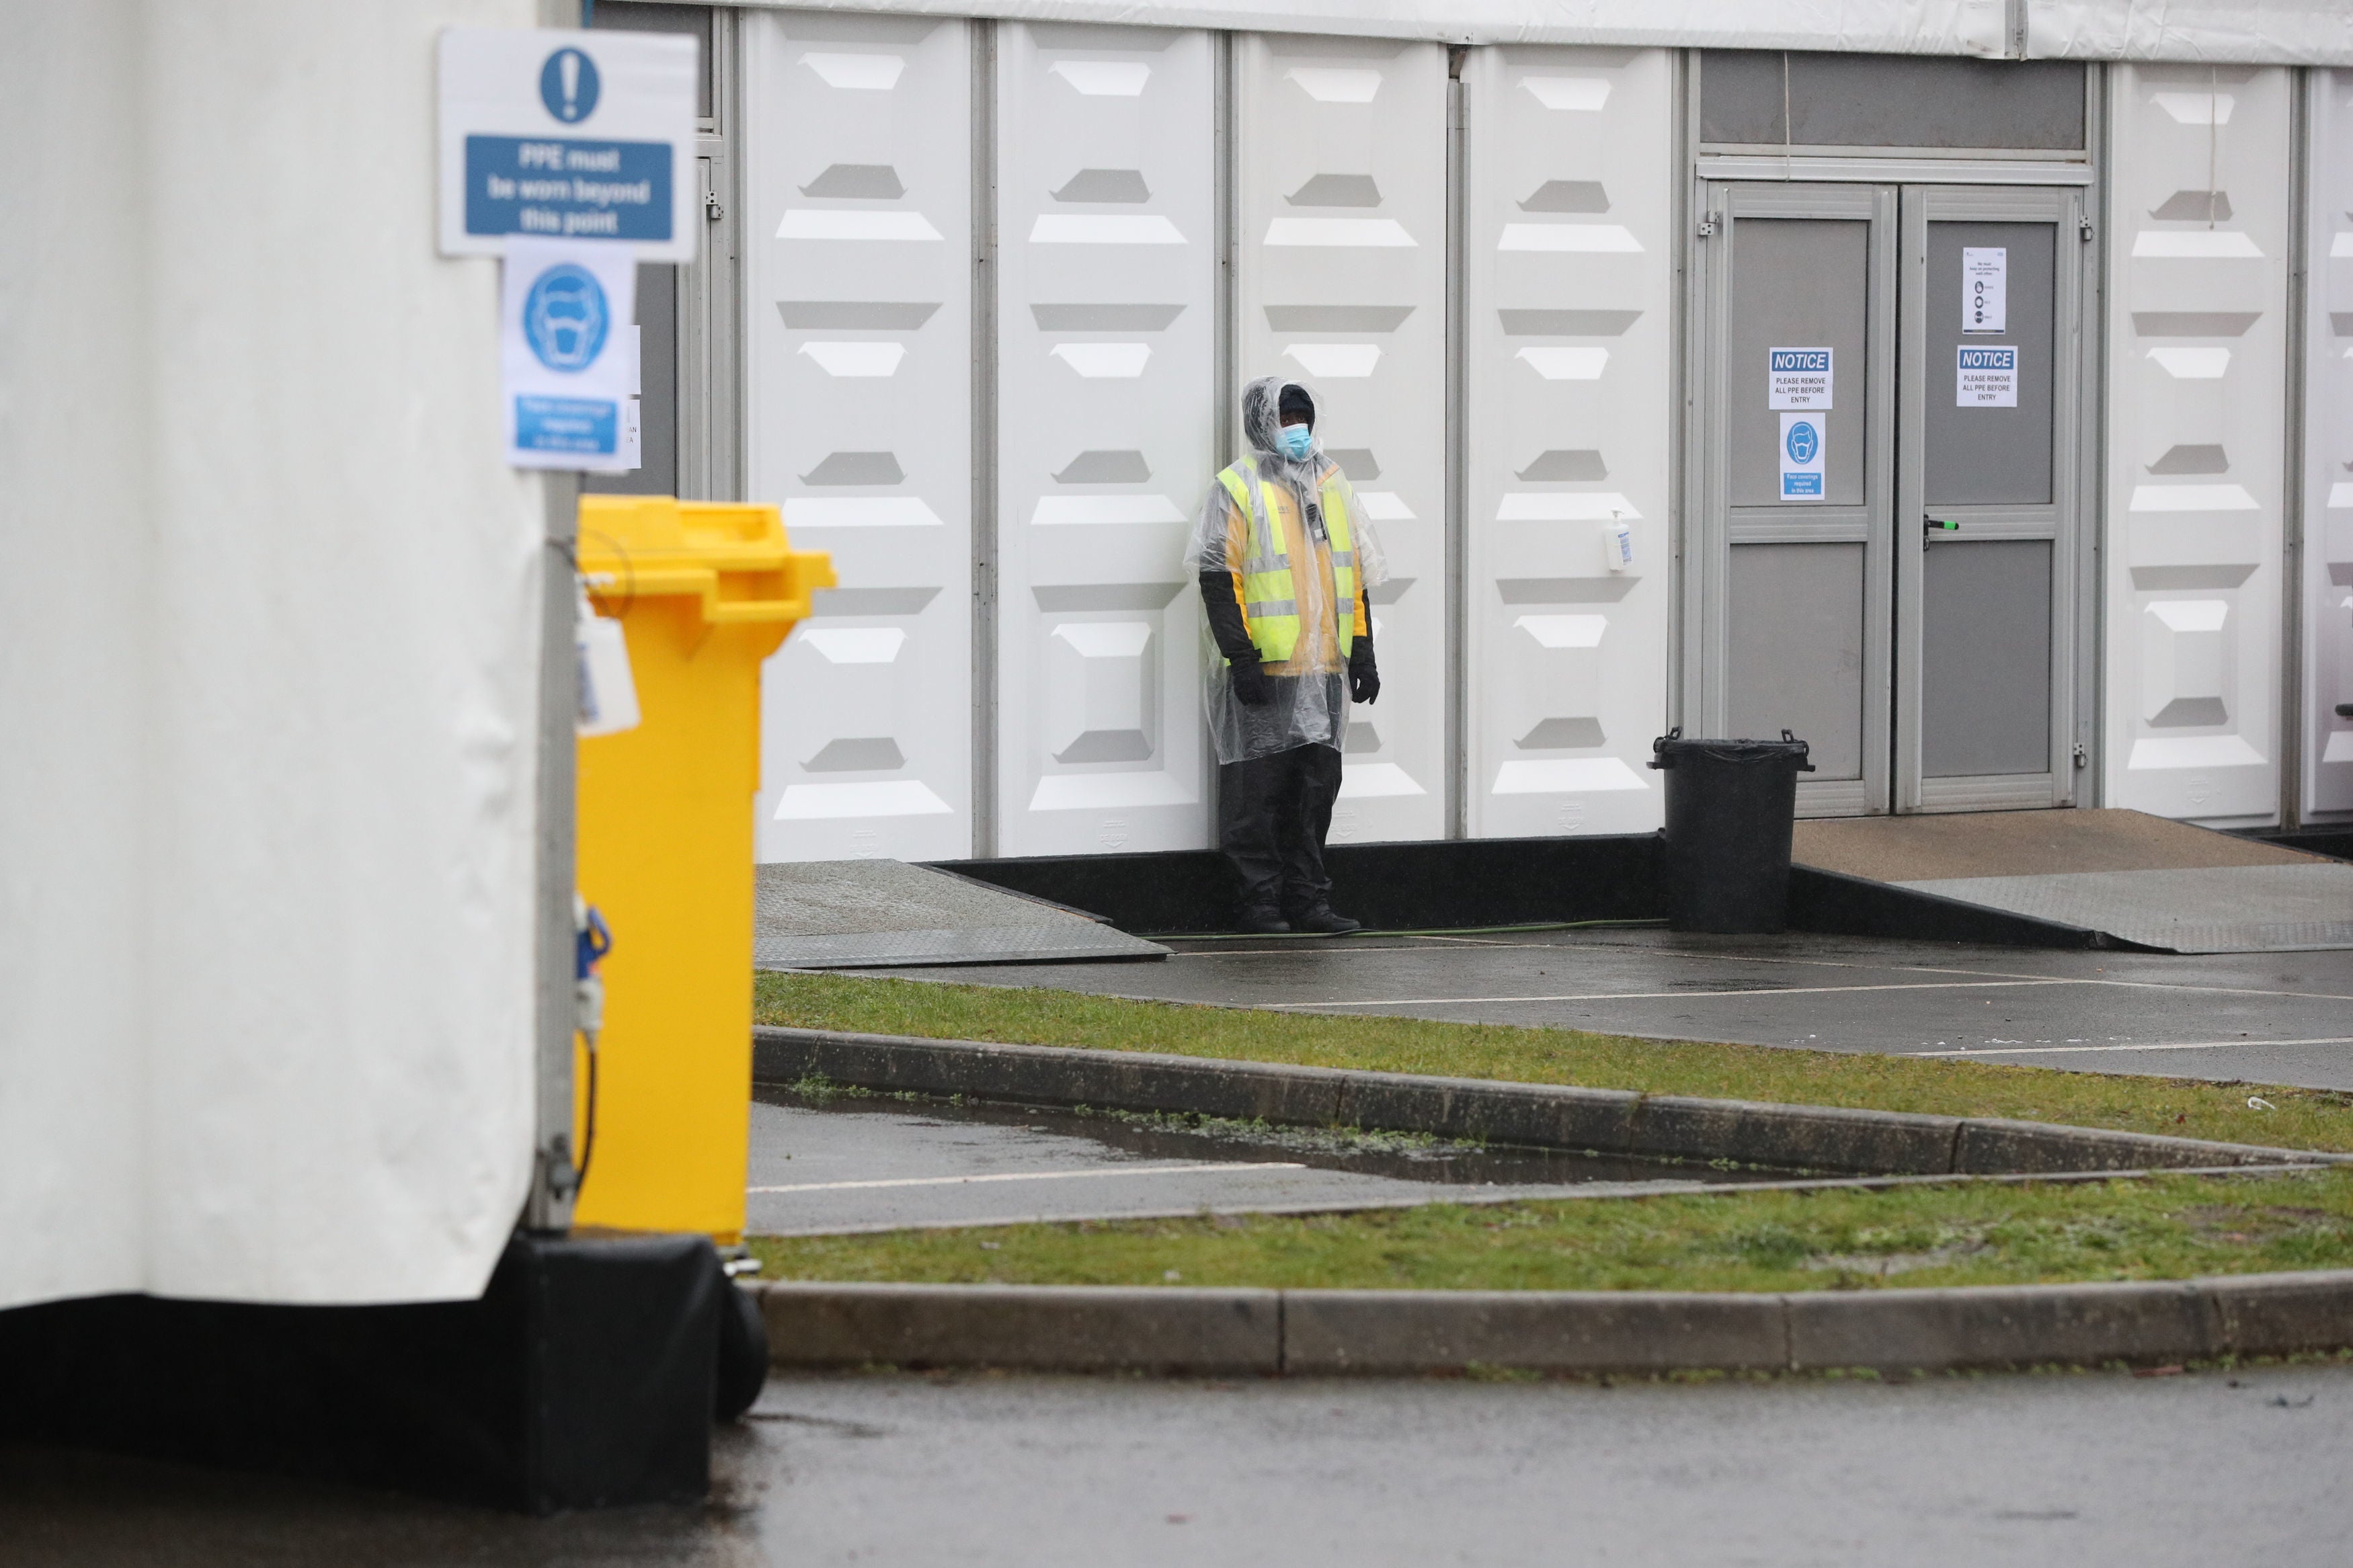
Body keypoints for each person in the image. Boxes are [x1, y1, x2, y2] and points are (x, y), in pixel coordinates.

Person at [1185, 377, 1387, 935]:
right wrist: (1240, 657)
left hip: (1324, 670)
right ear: (1262, 423)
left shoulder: (1331, 482)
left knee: (1315, 794)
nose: (1297, 427)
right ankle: (1259, 904)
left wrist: (1362, 651)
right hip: (1266, 671)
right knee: (1258, 799)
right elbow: (1217, 575)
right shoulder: (1237, 487)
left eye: (1304, 415)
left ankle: (1309, 900)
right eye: (1286, 416)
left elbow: (1356, 573)